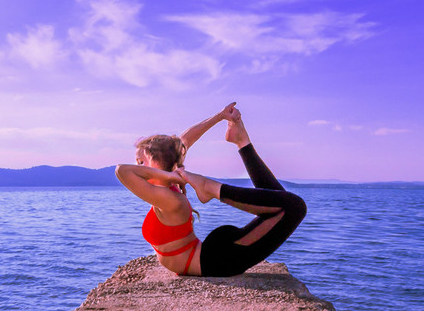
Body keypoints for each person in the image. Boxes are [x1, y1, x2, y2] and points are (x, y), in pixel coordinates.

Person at [114, 103, 306, 277]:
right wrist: (219, 116)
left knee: (294, 206)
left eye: (141, 162)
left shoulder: (167, 197)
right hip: (216, 253)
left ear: (159, 163)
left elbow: (122, 171)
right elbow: (185, 139)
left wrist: (171, 175)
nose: (139, 167)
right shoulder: (166, 187)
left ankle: (210, 187)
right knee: (283, 203)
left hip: (219, 261)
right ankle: (242, 142)